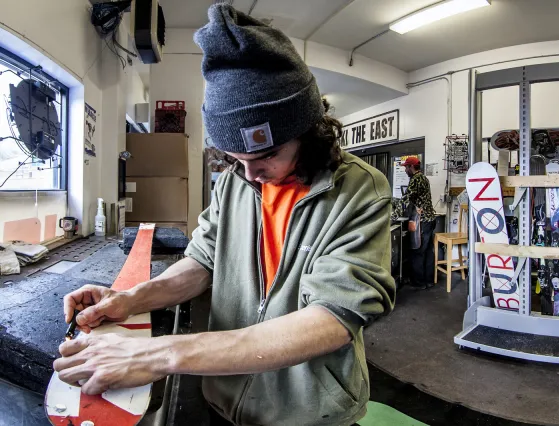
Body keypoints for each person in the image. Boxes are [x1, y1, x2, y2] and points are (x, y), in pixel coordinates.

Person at [52, 4, 395, 426]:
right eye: (235, 159)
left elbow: (331, 320)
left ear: (307, 131)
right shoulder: (238, 180)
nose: (251, 175)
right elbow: (202, 262)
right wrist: (130, 299)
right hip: (224, 395)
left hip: (306, 410)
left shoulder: (360, 191)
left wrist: (158, 354)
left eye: (267, 155)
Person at [396, 156, 437, 289]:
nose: (405, 171)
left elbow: (406, 199)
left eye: (406, 168)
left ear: (411, 167)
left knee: (417, 250)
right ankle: (429, 280)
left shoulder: (415, 179)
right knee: (428, 251)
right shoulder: (424, 178)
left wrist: (394, 215)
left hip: (422, 220)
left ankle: (419, 283)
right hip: (430, 219)